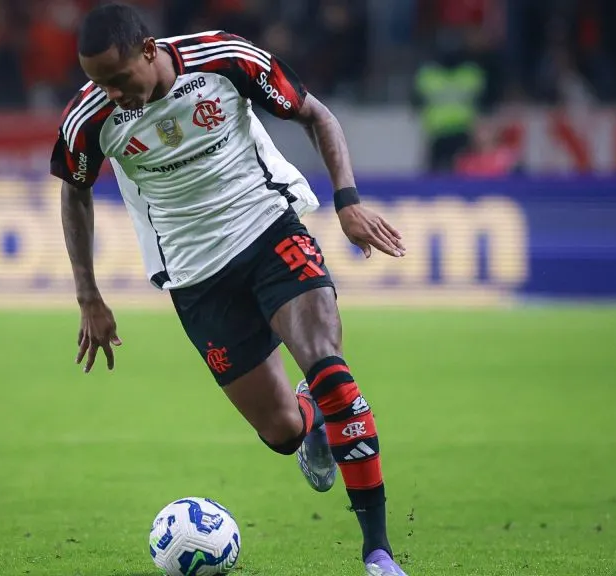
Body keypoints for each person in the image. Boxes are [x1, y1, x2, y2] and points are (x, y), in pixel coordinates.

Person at [49, 5, 408, 575]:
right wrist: (88, 296)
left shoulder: (225, 59)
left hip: (269, 231)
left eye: (118, 79)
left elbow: (317, 116)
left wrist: (347, 201)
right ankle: (310, 418)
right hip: (195, 277)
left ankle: (379, 552)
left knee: (331, 370)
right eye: (98, 82)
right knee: (282, 433)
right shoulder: (90, 118)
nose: (110, 93)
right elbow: (74, 192)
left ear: (149, 51)